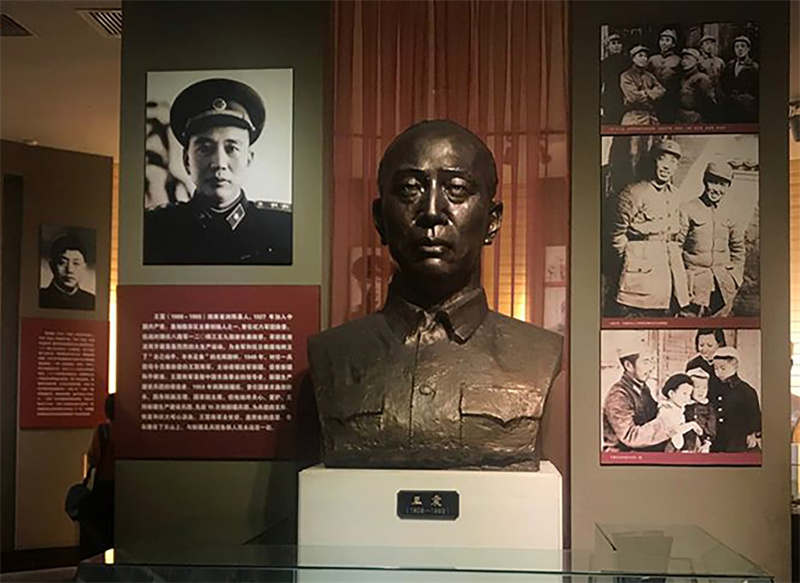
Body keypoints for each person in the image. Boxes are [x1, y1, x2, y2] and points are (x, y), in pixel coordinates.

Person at [308, 120, 562, 471]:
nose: (430, 211)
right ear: (380, 219)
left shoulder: (538, 353)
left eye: (456, 189)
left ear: (492, 221)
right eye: (409, 189)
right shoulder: (332, 355)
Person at [144, 78, 292, 265]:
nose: (219, 163)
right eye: (205, 149)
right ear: (186, 160)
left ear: (248, 159)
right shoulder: (154, 229)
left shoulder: (285, 228)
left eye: (231, 148)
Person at [611, 139, 690, 317]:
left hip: (670, 276)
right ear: (653, 161)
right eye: (662, 159)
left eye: (672, 161)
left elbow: (677, 234)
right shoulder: (634, 193)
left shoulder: (676, 195)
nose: (667, 166)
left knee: (668, 319)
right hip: (640, 278)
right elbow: (616, 234)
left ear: (676, 167)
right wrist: (631, 258)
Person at [602, 338, 695, 452]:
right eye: (646, 362)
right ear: (628, 365)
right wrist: (667, 424)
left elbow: (652, 414)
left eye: (652, 361)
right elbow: (631, 436)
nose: (651, 367)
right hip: (623, 455)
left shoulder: (642, 388)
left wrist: (668, 407)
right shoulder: (618, 396)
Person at [678, 161, 744, 317]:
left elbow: (738, 249)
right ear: (704, 181)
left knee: (717, 327)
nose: (717, 189)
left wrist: (735, 278)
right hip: (694, 284)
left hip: (723, 285)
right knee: (688, 324)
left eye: (723, 185)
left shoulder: (732, 212)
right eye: (713, 182)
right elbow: (676, 247)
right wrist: (681, 281)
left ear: (728, 187)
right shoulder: (687, 209)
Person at [80, 394, 115, 557]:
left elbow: (94, 456)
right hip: (125, 483)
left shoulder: (103, 430)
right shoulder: (130, 431)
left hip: (104, 482)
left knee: (101, 525)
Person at [711, 347, 761, 453]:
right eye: (716, 368)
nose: (719, 372)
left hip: (737, 441)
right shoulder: (712, 388)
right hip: (715, 441)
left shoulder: (746, 391)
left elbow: (754, 417)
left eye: (723, 368)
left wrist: (752, 434)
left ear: (735, 366)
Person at [39, 234, 96, 311]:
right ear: (52, 266)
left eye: (76, 263)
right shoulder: (40, 297)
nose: (70, 270)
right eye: (62, 263)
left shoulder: (91, 301)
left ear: (84, 267)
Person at [620, 45, 666, 126]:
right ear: (633, 59)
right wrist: (652, 94)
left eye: (645, 56)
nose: (644, 58)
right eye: (640, 56)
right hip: (634, 117)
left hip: (651, 116)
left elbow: (662, 90)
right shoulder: (626, 76)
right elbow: (634, 97)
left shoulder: (649, 76)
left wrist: (646, 93)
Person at [720, 35, 759, 124]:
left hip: (748, 107)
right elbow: (723, 84)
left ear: (748, 49)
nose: (740, 49)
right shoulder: (729, 66)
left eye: (742, 46)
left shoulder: (754, 67)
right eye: (737, 47)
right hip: (731, 106)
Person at [660, 373, 703, 452]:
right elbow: (673, 430)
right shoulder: (666, 409)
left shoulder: (678, 407)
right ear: (671, 393)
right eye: (684, 393)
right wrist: (692, 425)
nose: (687, 398)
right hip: (667, 446)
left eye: (689, 394)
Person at [647, 28, 681, 123]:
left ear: (673, 44)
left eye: (667, 40)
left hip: (670, 98)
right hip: (655, 97)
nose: (664, 43)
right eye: (662, 40)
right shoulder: (652, 59)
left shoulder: (678, 60)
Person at [676, 48, 716, 123]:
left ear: (696, 61)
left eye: (687, 58)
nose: (684, 62)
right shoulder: (683, 78)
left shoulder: (702, 78)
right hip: (682, 117)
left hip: (696, 119)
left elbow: (710, 101)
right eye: (683, 59)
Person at [684, 367, 716, 453]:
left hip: (701, 441)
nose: (701, 391)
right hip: (684, 440)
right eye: (697, 387)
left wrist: (707, 443)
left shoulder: (708, 407)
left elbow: (711, 425)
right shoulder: (684, 404)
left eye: (704, 388)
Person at [601, 32, 628, 125]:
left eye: (619, 43)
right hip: (610, 97)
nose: (616, 46)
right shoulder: (603, 63)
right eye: (613, 43)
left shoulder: (628, 62)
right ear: (608, 46)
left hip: (625, 96)